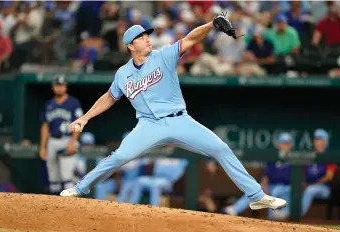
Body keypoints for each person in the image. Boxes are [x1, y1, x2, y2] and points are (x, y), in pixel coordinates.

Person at [60, 16, 286, 212]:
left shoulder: (164, 55)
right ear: (131, 46)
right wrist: (85, 118)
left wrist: (211, 24)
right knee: (118, 157)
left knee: (221, 148)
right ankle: (80, 188)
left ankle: (256, 197)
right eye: (142, 37)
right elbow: (109, 97)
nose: (148, 39)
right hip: (148, 126)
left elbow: (190, 38)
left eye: (148, 35)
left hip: (180, 120)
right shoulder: (123, 73)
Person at [222, 132, 292, 219]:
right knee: (254, 189)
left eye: (287, 143)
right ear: (278, 144)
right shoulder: (273, 157)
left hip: (286, 187)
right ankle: (235, 209)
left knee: (277, 191)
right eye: (283, 143)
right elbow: (266, 175)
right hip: (271, 185)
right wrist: (264, 186)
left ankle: (273, 218)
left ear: (290, 145)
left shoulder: (295, 158)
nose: (285, 146)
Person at [39, 75, 84, 194]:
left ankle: (69, 208)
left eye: (62, 85)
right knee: (53, 178)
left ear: (66, 87)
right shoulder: (49, 104)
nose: (59, 88)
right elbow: (45, 126)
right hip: (52, 141)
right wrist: (43, 147)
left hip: (67, 139)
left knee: (66, 176)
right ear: (53, 87)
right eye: (57, 85)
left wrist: (73, 142)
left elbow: (79, 124)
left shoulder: (73, 103)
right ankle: (55, 208)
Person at [301, 129, 337, 217]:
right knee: (294, 190)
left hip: (324, 188)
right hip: (309, 185)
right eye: (317, 140)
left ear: (326, 142)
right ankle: (284, 215)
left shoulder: (329, 156)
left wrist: (313, 184)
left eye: (321, 140)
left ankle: (297, 216)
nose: (319, 142)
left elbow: (329, 176)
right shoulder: (310, 155)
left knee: (310, 190)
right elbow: (303, 173)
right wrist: (303, 184)